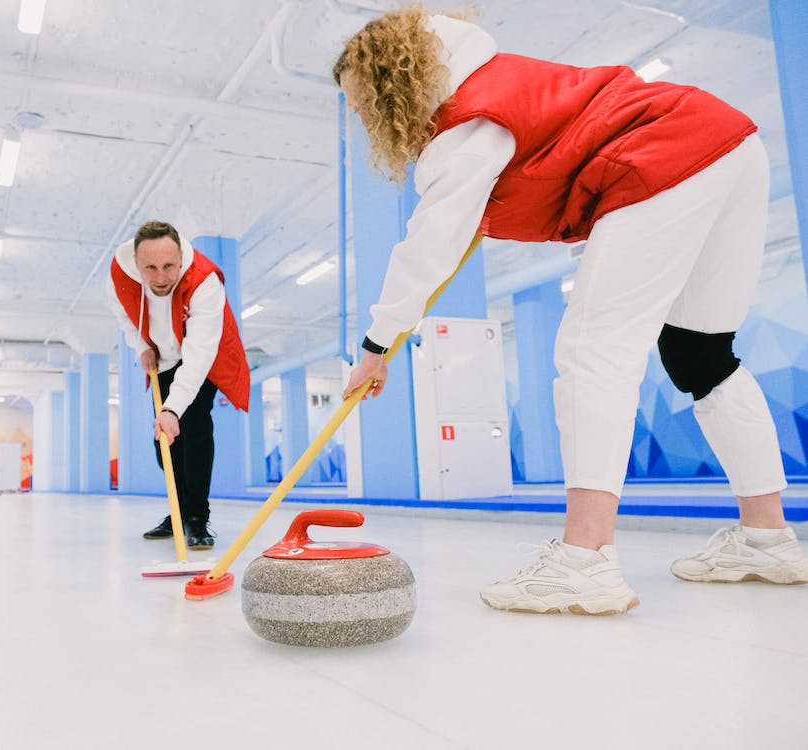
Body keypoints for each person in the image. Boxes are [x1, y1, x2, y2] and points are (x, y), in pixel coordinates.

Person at [334, 8, 808, 615]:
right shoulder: (498, 85)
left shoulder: (466, 121)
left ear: (387, 82)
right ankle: (768, 538)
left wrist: (374, 350)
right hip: (728, 143)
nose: (362, 117)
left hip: (663, 152)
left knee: (592, 351)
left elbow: (426, 248)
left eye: (361, 101)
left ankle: (583, 561)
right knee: (702, 354)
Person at [110, 220, 250, 550]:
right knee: (166, 442)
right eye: (151, 268)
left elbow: (199, 354)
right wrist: (141, 346)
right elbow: (122, 312)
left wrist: (173, 407)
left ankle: (197, 518)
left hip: (200, 359)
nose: (160, 278)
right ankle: (178, 512)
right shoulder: (119, 271)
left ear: (180, 257)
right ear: (136, 262)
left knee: (194, 426)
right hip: (162, 357)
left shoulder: (205, 281)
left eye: (169, 266)